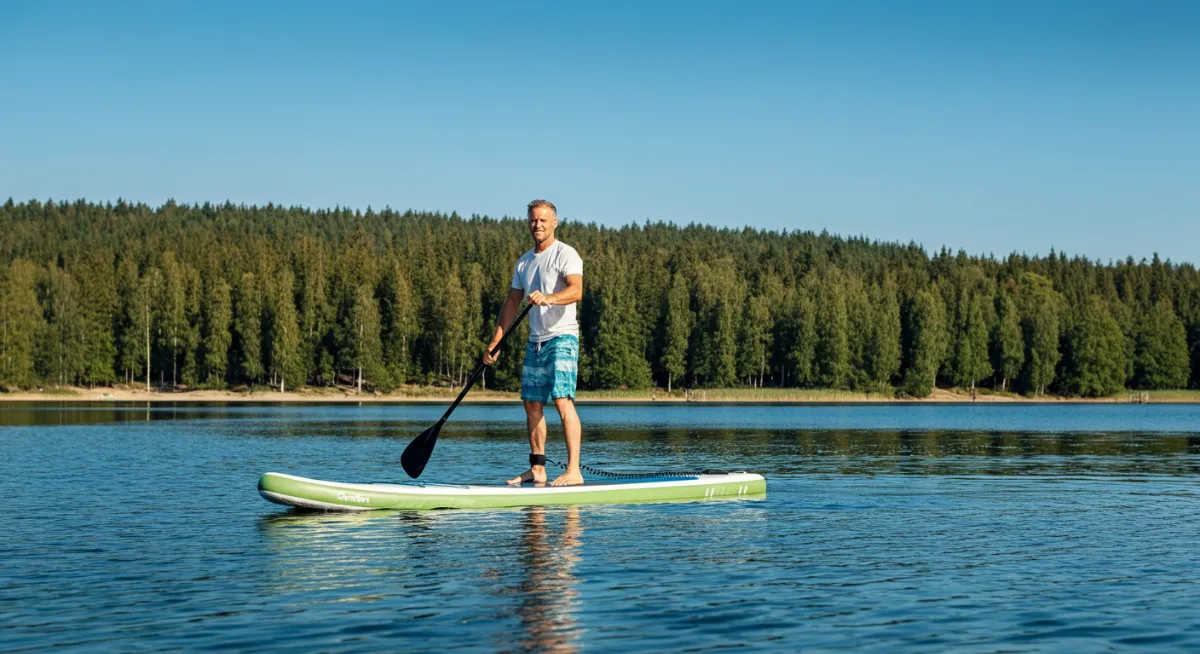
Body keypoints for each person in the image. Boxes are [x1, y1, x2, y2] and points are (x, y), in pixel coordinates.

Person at [483, 199, 584, 486]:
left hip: (562, 337)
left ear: (555, 222)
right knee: (532, 404)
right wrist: (496, 342)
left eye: (543, 220)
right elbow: (512, 303)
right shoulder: (524, 262)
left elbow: (576, 290)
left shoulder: (566, 254)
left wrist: (549, 298)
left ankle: (573, 471)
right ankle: (538, 468)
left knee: (562, 400)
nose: (537, 225)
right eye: (533, 220)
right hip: (535, 341)